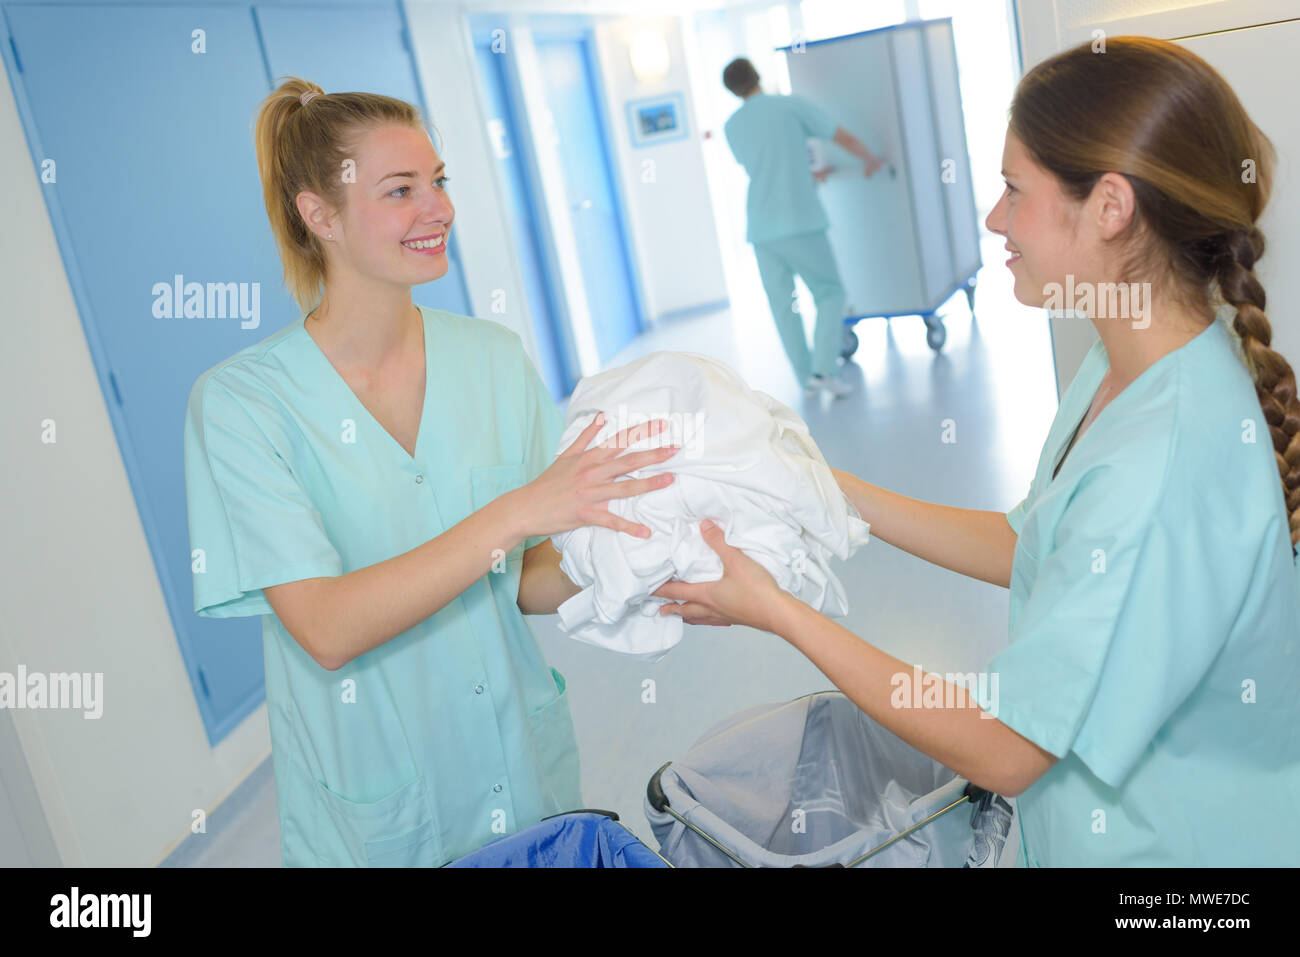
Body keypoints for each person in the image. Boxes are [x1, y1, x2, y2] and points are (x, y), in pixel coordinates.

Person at [658, 38, 1300, 865]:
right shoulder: (1126, 357)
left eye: (1012, 189)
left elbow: (1004, 744)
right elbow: (1032, 539)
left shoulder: (1166, 456)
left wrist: (779, 611)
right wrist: (830, 487)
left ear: (1109, 206)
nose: (995, 218)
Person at [182, 78, 679, 866]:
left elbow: (520, 577)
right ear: (321, 215)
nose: (439, 207)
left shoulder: (490, 359)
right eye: (401, 190)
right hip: (382, 811)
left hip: (523, 772)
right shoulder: (244, 406)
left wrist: (648, 574)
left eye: (439, 181)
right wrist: (515, 512)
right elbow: (327, 627)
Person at [721, 56, 885, 399]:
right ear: (758, 76)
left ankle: (806, 378)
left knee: (784, 305)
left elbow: (766, 165)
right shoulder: (789, 106)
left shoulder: (732, 127)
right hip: (799, 221)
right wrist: (870, 159)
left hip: (762, 228)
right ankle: (825, 369)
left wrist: (801, 173)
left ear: (732, 90)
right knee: (830, 292)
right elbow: (839, 135)